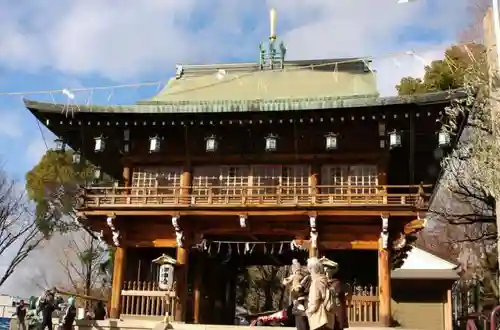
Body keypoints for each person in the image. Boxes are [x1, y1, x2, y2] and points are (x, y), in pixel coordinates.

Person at [305, 257, 334, 330]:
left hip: (319, 318)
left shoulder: (316, 282)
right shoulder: (325, 281)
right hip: (328, 317)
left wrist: (309, 312)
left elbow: (314, 302)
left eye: (309, 269)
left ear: (312, 269)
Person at [320, 257, 348, 330]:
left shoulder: (337, 283)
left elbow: (336, 265)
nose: (327, 273)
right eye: (325, 271)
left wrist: (328, 261)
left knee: (337, 326)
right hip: (326, 309)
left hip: (336, 309)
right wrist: (319, 261)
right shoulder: (321, 282)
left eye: (328, 271)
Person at [282, 259, 309, 330]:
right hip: (294, 292)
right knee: (295, 304)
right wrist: (288, 281)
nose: (298, 271)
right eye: (297, 270)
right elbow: (285, 282)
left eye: (299, 270)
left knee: (297, 305)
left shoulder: (301, 277)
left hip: (298, 293)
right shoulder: (293, 276)